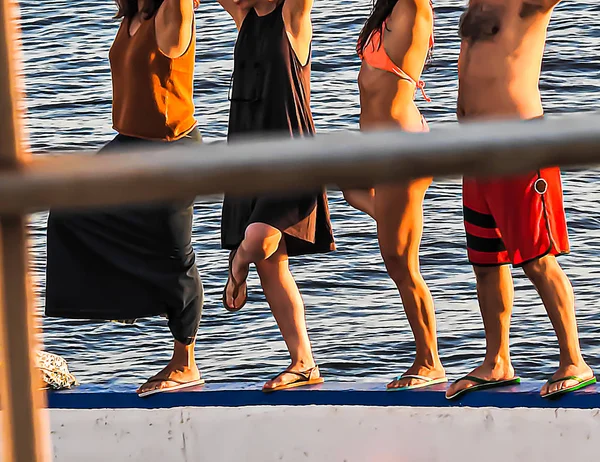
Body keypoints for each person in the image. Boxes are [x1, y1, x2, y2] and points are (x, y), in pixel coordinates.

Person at [45, 0, 205, 398]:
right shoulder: (133, 16)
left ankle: (186, 364)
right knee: (70, 210)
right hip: (128, 144)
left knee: (174, 254)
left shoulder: (173, 13)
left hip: (173, 148)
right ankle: (127, 297)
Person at [446, 0, 596, 400]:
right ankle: (497, 361)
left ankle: (574, 361)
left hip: (519, 143)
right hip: (474, 149)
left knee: (536, 258)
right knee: (485, 260)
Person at [217, 0, 335, 392]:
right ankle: (303, 362)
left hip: (290, 155)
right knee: (271, 263)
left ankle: (237, 265)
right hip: (248, 155)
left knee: (258, 240)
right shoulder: (244, 18)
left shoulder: (293, 15)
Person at [345, 0, 446, 391]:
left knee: (401, 263)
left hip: (403, 151)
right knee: (350, 191)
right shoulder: (388, 11)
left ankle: (429, 361)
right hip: (378, 149)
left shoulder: (413, 7)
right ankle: (391, 220)